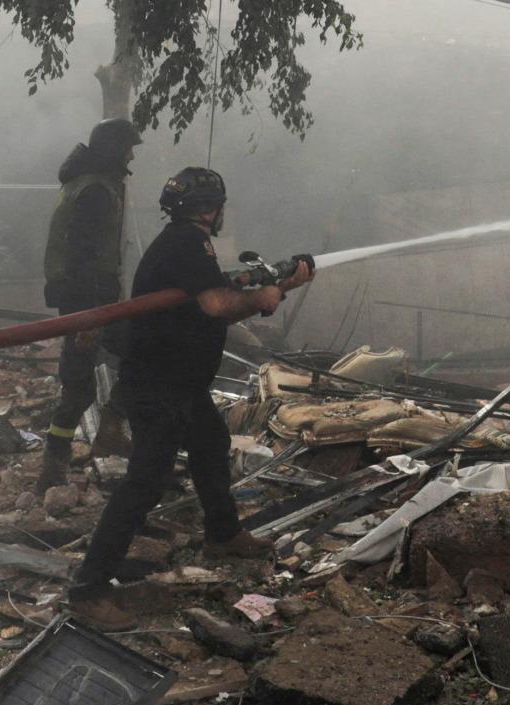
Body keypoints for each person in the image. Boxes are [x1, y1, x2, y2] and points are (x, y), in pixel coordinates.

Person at [68, 167, 312, 620]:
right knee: (146, 482)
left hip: (179, 382)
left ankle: (222, 534)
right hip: (159, 386)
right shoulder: (187, 242)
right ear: (212, 208)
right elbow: (217, 305)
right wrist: (267, 296)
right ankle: (88, 591)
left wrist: (271, 286)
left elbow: (211, 302)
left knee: (211, 444)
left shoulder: (181, 244)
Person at [35, 116, 140, 494]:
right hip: (88, 300)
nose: (131, 156)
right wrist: (91, 318)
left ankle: (54, 463)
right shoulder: (95, 191)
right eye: (128, 148)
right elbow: (83, 256)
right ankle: (110, 428)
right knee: (141, 351)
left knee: (78, 387)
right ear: (114, 150)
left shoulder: (82, 183)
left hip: (81, 299)